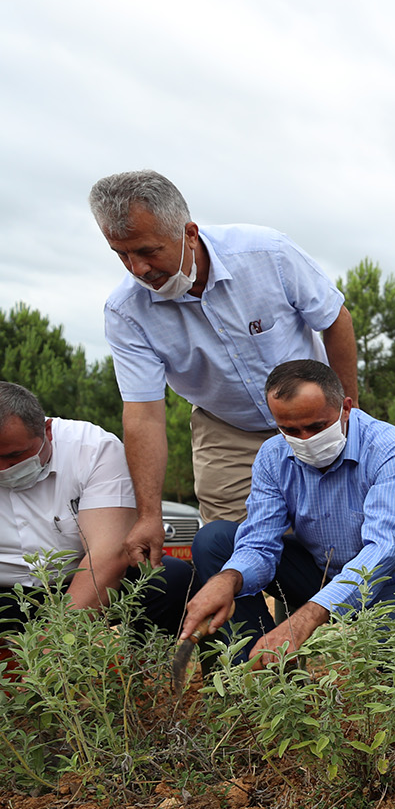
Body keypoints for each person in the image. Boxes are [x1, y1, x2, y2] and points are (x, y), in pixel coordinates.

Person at [88, 170, 359, 568]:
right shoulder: (126, 312)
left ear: (190, 233)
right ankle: (250, 632)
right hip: (226, 429)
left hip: (315, 414)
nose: (138, 268)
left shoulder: (268, 254)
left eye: (148, 251)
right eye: (122, 254)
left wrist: (346, 413)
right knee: (232, 547)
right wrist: (149, 514)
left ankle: (328, 622)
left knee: (333, 531)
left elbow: (335, 321)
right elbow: (144, 415)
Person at [180, 361, 395, 667]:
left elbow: (385, 551)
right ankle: (261, 677)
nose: (304, 439)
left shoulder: (390, 449)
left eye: (317, 426)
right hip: (324, 572)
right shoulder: (273, 456)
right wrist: (229, 577)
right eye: (289, 429)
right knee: (216, 542)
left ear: (345, 408)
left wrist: (308, 616)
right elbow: (259, 543)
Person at [0, 382, 191, 638]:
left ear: (48, 431)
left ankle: (139, 671)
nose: (3, 469)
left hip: (76, 584)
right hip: (6, 592)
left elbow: (107, 557)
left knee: (168, 579)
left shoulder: (92, 449)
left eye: (15, 456)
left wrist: (52, 647)